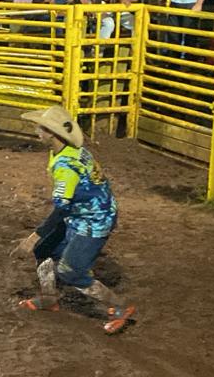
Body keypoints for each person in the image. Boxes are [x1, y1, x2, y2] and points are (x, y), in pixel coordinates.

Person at [10, 105, 137, 334]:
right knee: (45, 248)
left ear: (51, 133)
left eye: (41, 127)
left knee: (71, 270)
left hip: (94, 219)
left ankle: (119, 307)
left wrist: (34, 235)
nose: (37, 130)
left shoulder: (65, 166)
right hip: (85, 212)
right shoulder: (68, 151)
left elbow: (60, 209)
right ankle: (49, 299)